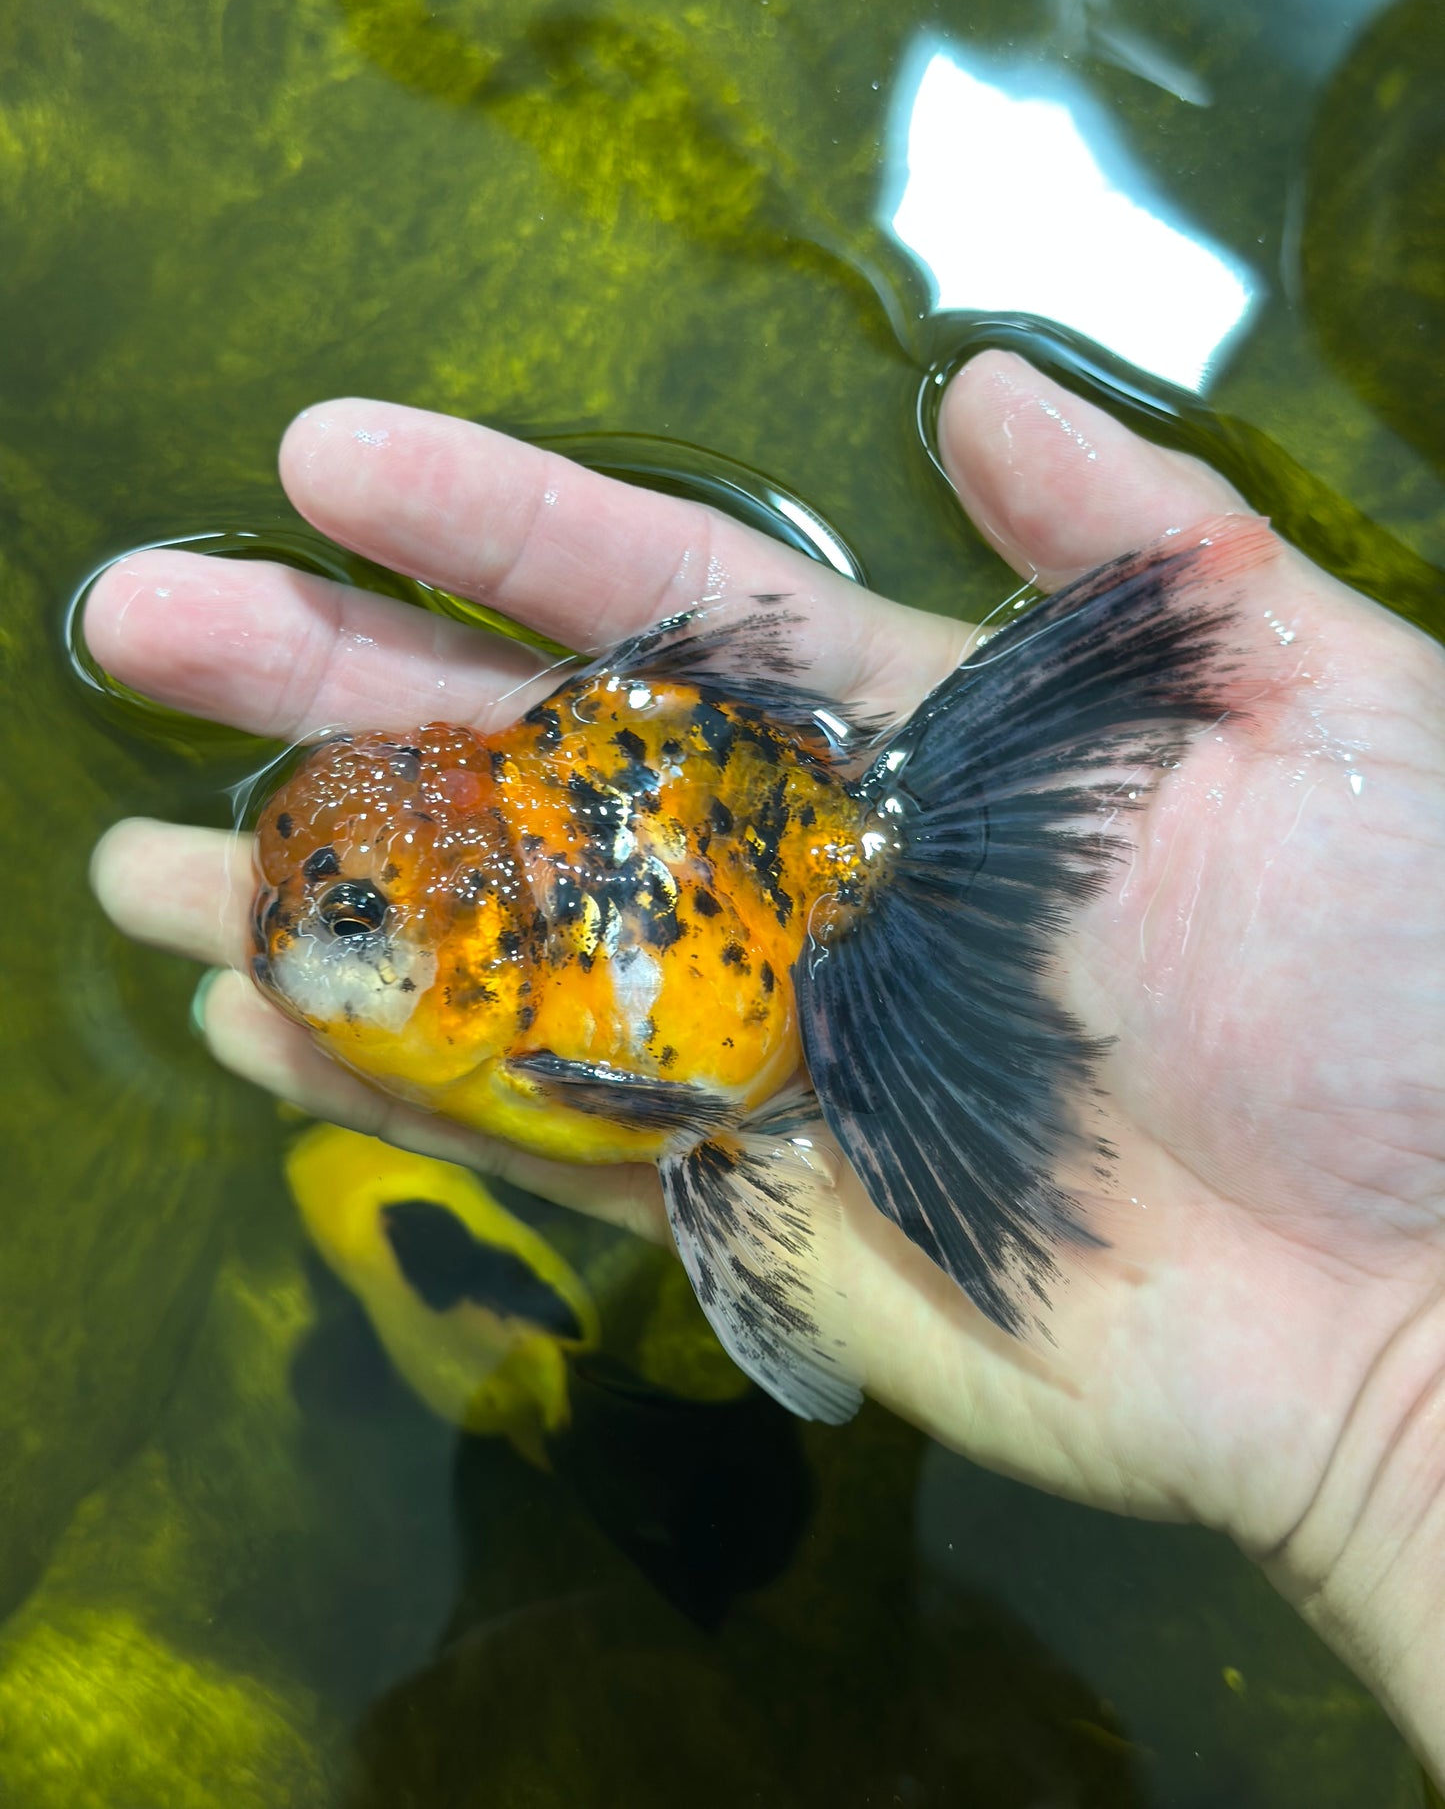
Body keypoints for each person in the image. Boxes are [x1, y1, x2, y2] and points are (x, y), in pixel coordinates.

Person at [86, 351, 1444, 1781]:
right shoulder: (451, 962)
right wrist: (1384, 1409)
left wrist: (1393, 1392)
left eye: (350, 915)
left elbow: (672, 1109)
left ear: (477, 948)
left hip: (751, 928)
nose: (297, 931)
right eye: (302, 886)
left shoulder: (548, 1005)